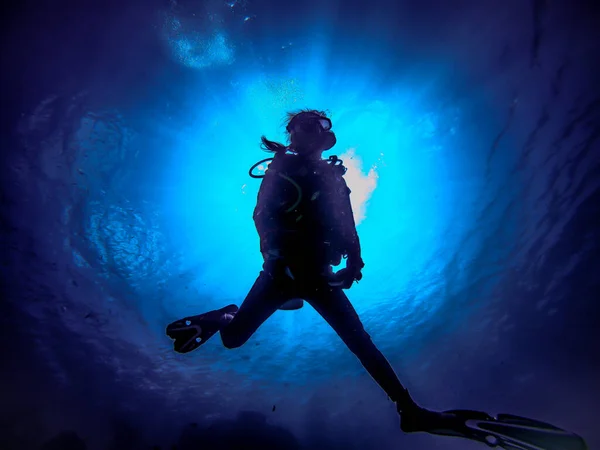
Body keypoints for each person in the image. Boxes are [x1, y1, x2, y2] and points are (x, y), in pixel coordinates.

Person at [167, 110, 588, 450]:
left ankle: (411, 411)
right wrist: (277, 257)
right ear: (293, 133)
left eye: (320, 128)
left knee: (362, 344)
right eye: (304, 126)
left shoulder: (334, 176)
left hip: (317, 275)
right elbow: (262, 216)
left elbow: (347, 224)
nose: (312, 132)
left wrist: (354, 262)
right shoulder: (280, 168)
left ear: (325, 138)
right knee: (233, 339)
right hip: (279, 273)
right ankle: (227, 314)